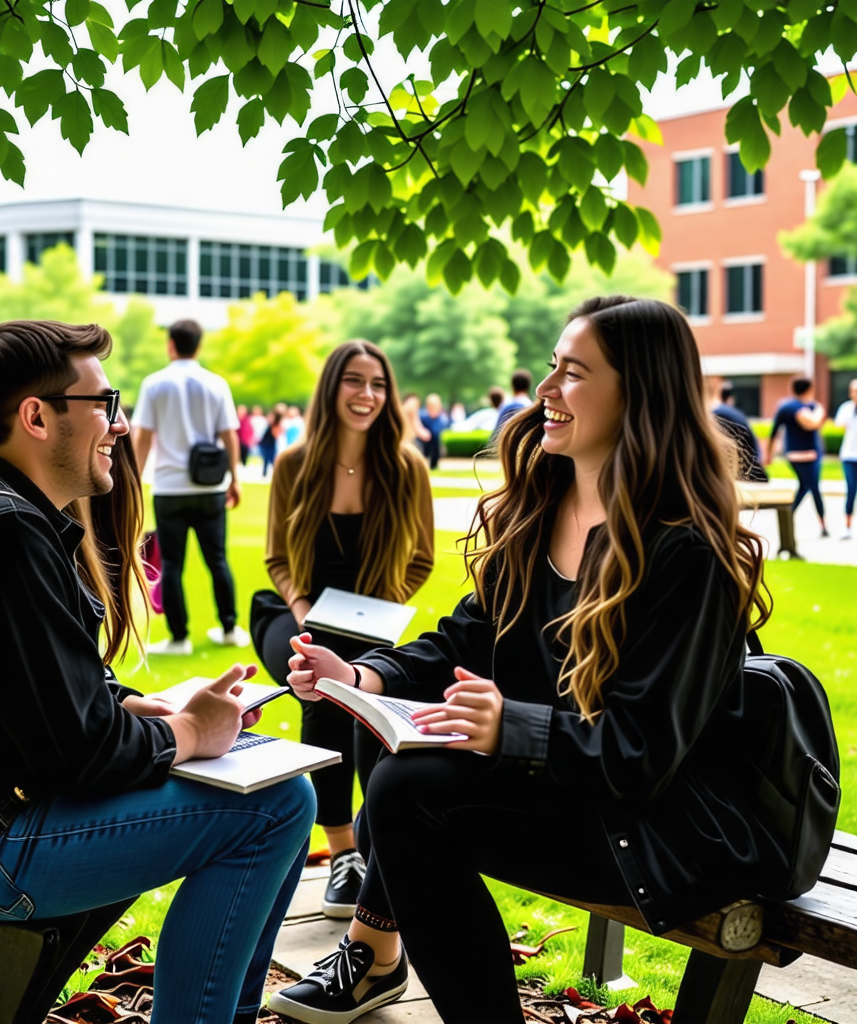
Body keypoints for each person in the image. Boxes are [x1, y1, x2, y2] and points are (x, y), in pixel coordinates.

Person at [269, 296, 782, 1024]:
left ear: (637, 393)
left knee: (407, 792)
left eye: (573, 373)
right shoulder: (543, 507)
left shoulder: (685, 551)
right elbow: (466, 635)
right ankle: (378, 958)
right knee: (402, 770)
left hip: (655, 828)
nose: (544, 389)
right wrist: (361, 676)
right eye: (552, 367)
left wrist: (509, 728)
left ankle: (377, 959)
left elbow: (642, 754)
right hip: (574, 788)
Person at [0, 319, 315, 1024]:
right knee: (279, 804)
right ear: (36, 416)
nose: (120, 425)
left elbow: (26, 695)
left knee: (273, 788)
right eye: (104, 403)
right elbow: (81, 754)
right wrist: (190, 733)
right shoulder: (3, 532)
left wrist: (143, 710)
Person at [251, 340, 434, 919]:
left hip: (370, 617)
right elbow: (277, 557)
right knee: (321, 682)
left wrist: (381, 609)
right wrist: (304, 607)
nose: (367, 394)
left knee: (367, 693)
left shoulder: (406, 466)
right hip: (295, 612)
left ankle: (368, 838)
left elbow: (423, 558)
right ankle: (342, 854)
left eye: (378, 384)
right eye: (354, 380)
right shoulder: (295, 463)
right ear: (332, 388)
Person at [132, 319, 248, 655]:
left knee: (172, 564)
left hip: (169, 488)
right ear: (199, 346)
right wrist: (235, 479)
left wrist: (135, 480)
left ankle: (178, 638)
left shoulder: (154, 383)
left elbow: (144, 437)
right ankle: (229, 628)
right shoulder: (216, 383)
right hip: (210, 487)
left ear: (170, 344)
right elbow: (229, 435)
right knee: (218, 560)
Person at [769, 376, 828, 538]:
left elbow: (774, 431)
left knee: (806, 487)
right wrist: (820, 409)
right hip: (809, 456)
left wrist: (769, 453)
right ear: (810, 389)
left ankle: (795, 518)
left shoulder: (785, 407)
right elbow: (814, 423)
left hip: (794, 455)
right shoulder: (807, 408)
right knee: (811, 487)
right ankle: (790, 516)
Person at [712, 382, 767, 482]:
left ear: (720, 395)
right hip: (750, 460)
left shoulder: (716, 412)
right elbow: (752, 438)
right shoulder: (738, 414)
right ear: (732, 398)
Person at [835, 378, 857, 540]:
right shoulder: (846, 408)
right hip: (849, 455)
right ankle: (847, 526)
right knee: (851, 490)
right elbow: (839, 424)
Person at [493, 369, 534, 434]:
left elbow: (496, 434)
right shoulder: (531, 407)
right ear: (528, 385)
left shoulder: (507, 407)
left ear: (512, 385)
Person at [418, 393, 449, 469]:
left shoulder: (442, 419)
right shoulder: (422, 416)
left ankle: (433, 465)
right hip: (423, 443)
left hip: (435, 443)